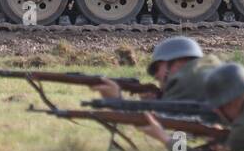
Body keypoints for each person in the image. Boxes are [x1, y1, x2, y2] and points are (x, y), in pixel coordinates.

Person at [92, 36, 222, 102]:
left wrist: (117, 100)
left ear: (176, 63)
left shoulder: (187, 79)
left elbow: (180, 146)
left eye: (157, 68)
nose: (156, 76)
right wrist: (158, 100)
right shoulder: (209, 71)